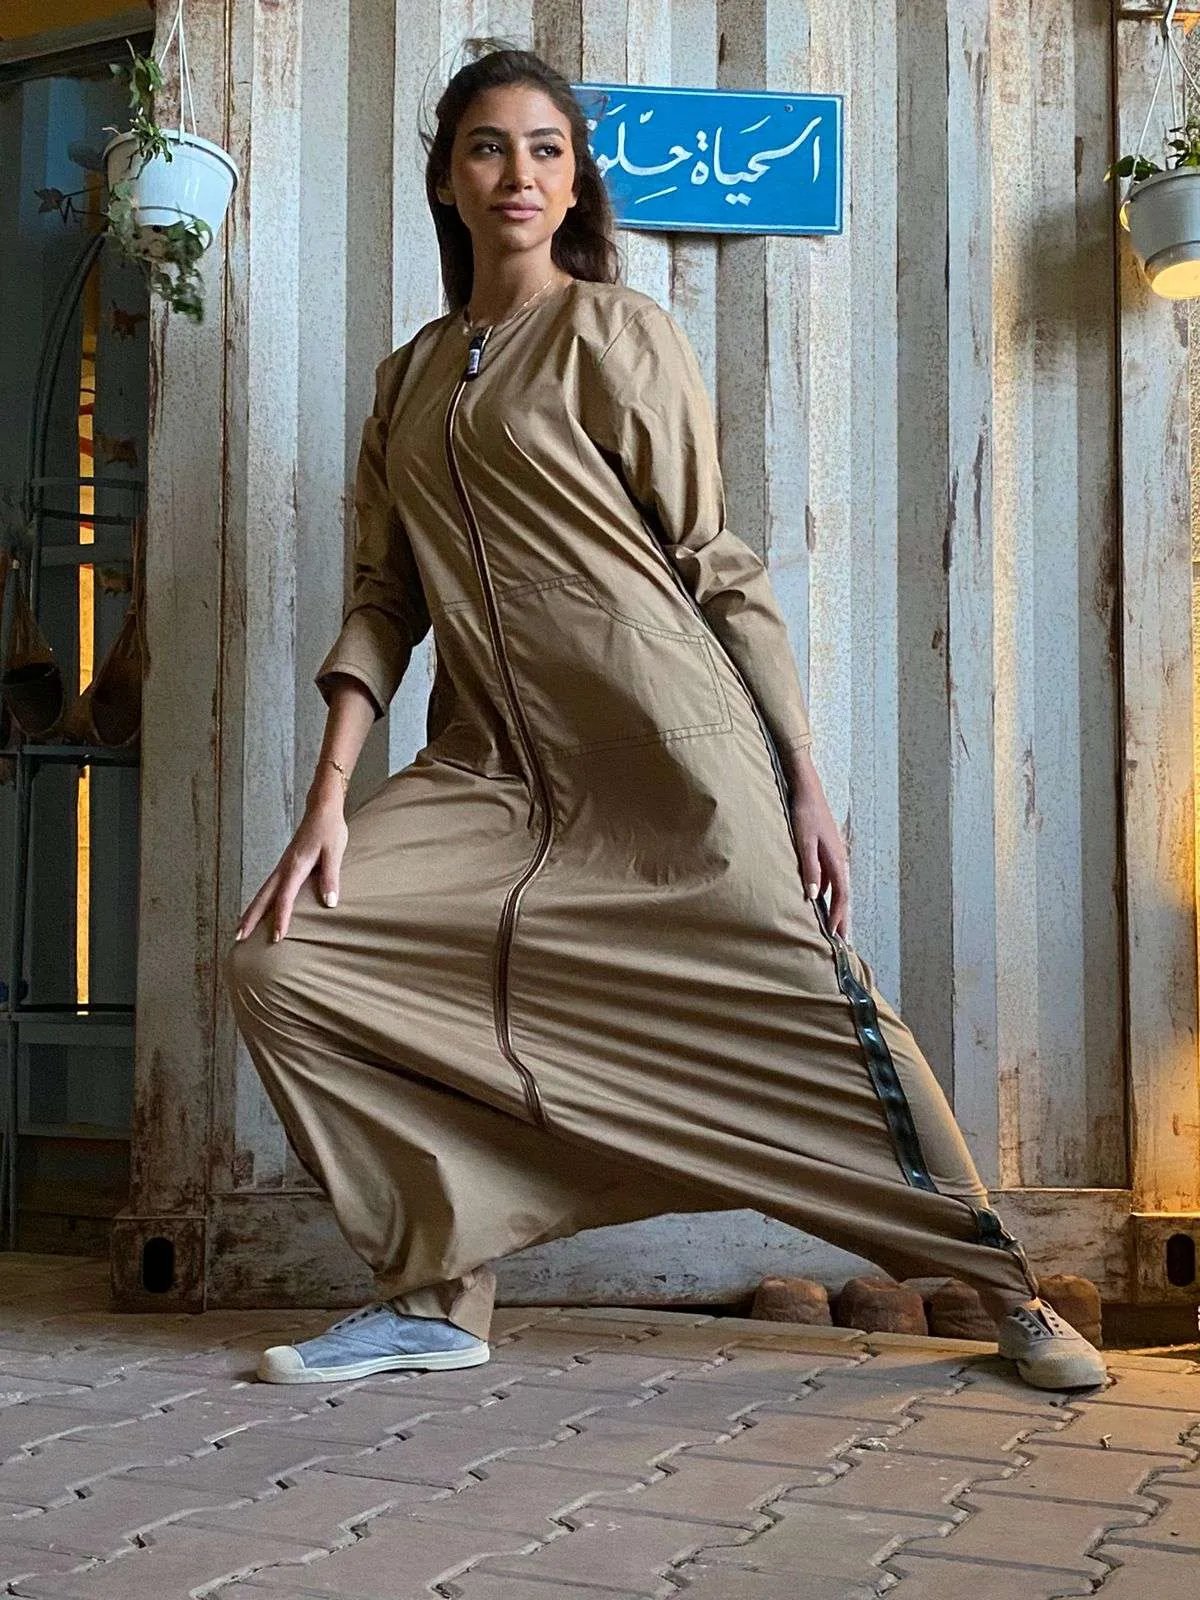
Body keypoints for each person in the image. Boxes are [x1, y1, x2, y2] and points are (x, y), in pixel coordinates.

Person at [221, 42, 1106, 1394]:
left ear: (577, 183)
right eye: (487, 148)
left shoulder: (617, 334)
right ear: (447, 179)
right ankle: (439, 1294)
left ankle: (1006, 1291)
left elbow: (712, 559)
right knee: (284, 964)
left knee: (813, 1011)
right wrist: (328, 797)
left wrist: (802, 774)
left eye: (547, 150)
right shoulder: (407, 381)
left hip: (667, 758)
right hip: (489, 771)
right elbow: (383, 599)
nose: (518, 174)